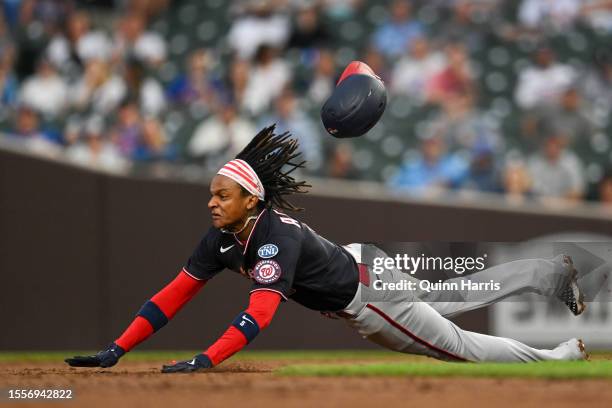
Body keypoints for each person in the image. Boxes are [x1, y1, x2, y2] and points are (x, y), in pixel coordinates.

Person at [65, 126, 588, 372]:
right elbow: (174, 294)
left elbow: (260, 314)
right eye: (210, 194)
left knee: (459, 344)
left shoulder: (274, 237)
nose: (212, 203)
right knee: (455, 294)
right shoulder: (225, 238)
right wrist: (118, 348)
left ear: (252, 199)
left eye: (222, 195)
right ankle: (546, 272)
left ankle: (559, 356)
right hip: (366, 264)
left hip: (370, 299)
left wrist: (207, 358)